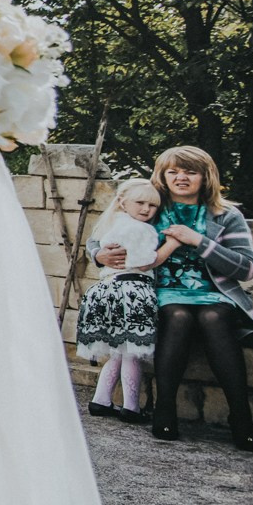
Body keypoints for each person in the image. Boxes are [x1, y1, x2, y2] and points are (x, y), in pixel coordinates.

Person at [98, 145, 253, 450]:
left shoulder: (226, 215)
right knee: (178, 315)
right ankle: (165, 407)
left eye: (190, 172)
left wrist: (199, 241)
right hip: (162, 293)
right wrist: (98, 255)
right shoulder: (151, 207)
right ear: (162, 176)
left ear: (206, 176)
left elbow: (248, 269)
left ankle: (241, 416)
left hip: (214, 295)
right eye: (172, 171)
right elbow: (103, 234)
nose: (181, 177)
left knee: (213, 318)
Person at [77, 178, 171, 423]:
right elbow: (145, 262)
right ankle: (131, 407)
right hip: (131, 292)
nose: (146, 209)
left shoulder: (112, 223)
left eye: (152, 205)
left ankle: (101, 400)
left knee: (117, 353)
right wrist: (171, 245)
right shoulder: (141, 228)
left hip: (107, 289)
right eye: (140, 203)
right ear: (122, 202)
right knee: (132, 354)